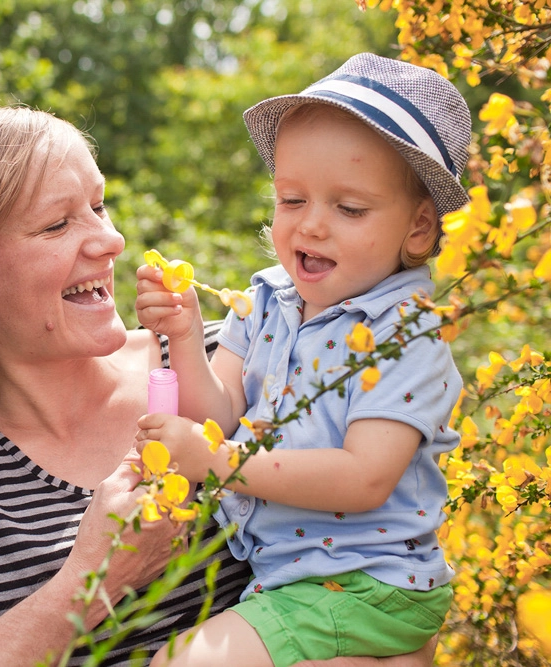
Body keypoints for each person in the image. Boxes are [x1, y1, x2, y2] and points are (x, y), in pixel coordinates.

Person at [0, 105, 441, 667]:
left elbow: (387, 581)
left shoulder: (236, 355)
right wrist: (92, 580)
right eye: (56, 224)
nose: (111, 242)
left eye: (99, 207)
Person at [134, 53, 469, 666]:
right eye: (292, 199)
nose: (311, 226)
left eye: (349, 209)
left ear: (418, 229)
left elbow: (364, 478)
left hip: (372, 585)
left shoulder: (407, 332)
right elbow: (221, 413)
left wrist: (219, 463)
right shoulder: (264, 300)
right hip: (298, 584)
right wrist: (184, 337)